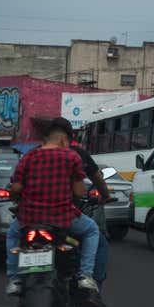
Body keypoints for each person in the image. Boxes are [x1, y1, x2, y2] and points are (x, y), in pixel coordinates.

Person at [5, 120, 102, 301]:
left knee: (11, 234)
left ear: (44, 140)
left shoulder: (29, 156)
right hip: (63, 218)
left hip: (29, 217)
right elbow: (80, 192)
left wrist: (17, 195)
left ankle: (14, 279)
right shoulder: (72, 157)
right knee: (91, 230)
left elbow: (16, 189)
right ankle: (85, 276)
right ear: (65, 140)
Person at [50, 117, 112, 290]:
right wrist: (104, 196)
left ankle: (16, 280)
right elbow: (96, 180)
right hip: (65, 216)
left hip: (34, 216)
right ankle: (90, 284)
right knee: (95, 235)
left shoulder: (37, 152)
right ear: (70, 136)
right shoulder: (76, 154)